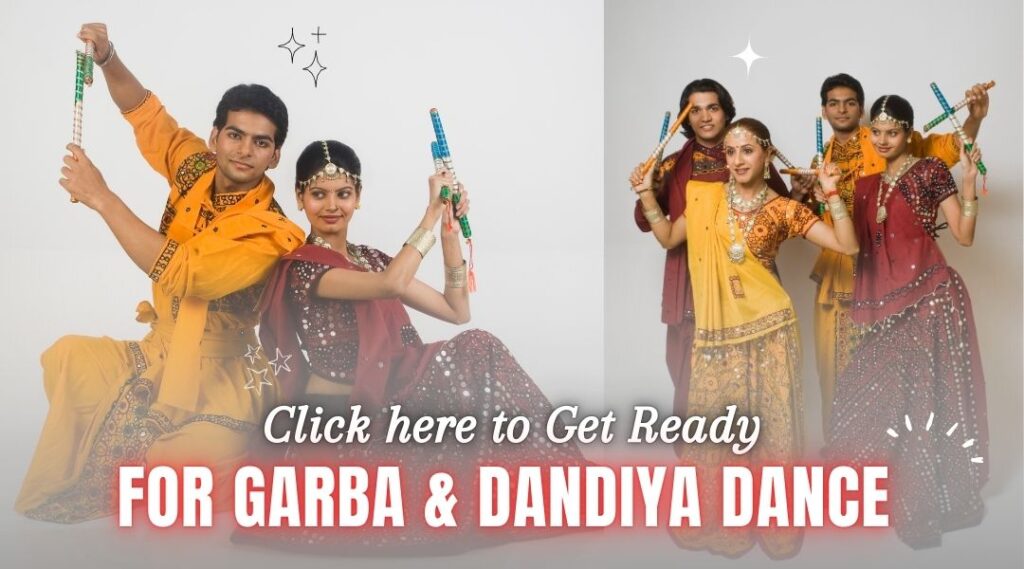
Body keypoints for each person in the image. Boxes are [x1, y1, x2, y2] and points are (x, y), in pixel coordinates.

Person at [236, 140, 586, 553]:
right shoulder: (303, 267)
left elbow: (457, 311)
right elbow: (390, 285)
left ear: (358, 198)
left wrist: (448, 232)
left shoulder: (372, 257)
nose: (332, 205)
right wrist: (430, 210)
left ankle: (560, 484)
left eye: (343, 194)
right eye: (318, 194)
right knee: (474, 352)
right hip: (345, 416)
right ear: (300, 198)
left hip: (392, 393)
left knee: (477, 346)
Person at [16, 23, 304, 522]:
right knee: (66, 358)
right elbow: (145, 113)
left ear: (275, 155)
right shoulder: (195, 166)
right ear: (215, 136)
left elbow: (186, 273)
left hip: (224, 373)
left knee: (167, 466)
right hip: (160, 350)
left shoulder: (272, 229)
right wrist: (108, 59)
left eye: (261, 143)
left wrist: (102, 197)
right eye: (234, 135)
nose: (243, 150)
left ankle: (256, 458)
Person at [631, 118, 858, 559]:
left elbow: (846, 246)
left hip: (771, 327)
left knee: (771, 426)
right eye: (730, 152)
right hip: (718, 333)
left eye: (746, 151)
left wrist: (831, 190)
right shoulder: (703, 196)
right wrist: (646, 193)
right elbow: (667, 237)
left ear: (767, 155)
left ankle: (769, 521)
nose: (736, 160)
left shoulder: (784, 209)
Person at [827, 95, 988, 549]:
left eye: (891, 133)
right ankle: (885, 494)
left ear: (909, 132)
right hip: (885, 307)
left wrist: (970, 185)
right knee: (867, 396)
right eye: (875, 132)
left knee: (921, 402)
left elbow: (965, 236)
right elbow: (852, 246)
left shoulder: (931, 172)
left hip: (931, 301)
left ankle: (925, 501)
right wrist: (825, 193)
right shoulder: (865, 184)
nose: (882, 140)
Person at [792, 73, 989, 434]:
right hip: (858, 288)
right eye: (833, 103)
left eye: (850, 102)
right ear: (823, 110)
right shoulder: (836, 169)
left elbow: (949, 155)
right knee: (858, 382)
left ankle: (919, 476)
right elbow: (838, 236)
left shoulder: (921, 166)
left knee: (921, 390)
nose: (882, 140)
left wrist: (970, 173)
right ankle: (853, 459)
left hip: (919, 293)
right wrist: (819, 196)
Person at [632, 79, 789, 420]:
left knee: (752, 368)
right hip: (692, 279)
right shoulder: (672, 165)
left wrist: (811, 195)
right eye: (696, 110)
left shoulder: (749, 154)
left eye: (713, 108)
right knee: (690, 375)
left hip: (746, 277)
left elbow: (783, 210)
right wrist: (651, 187)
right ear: (685, 119)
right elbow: (646, 223)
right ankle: (699, 462)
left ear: (727, 111)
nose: (705, 117)